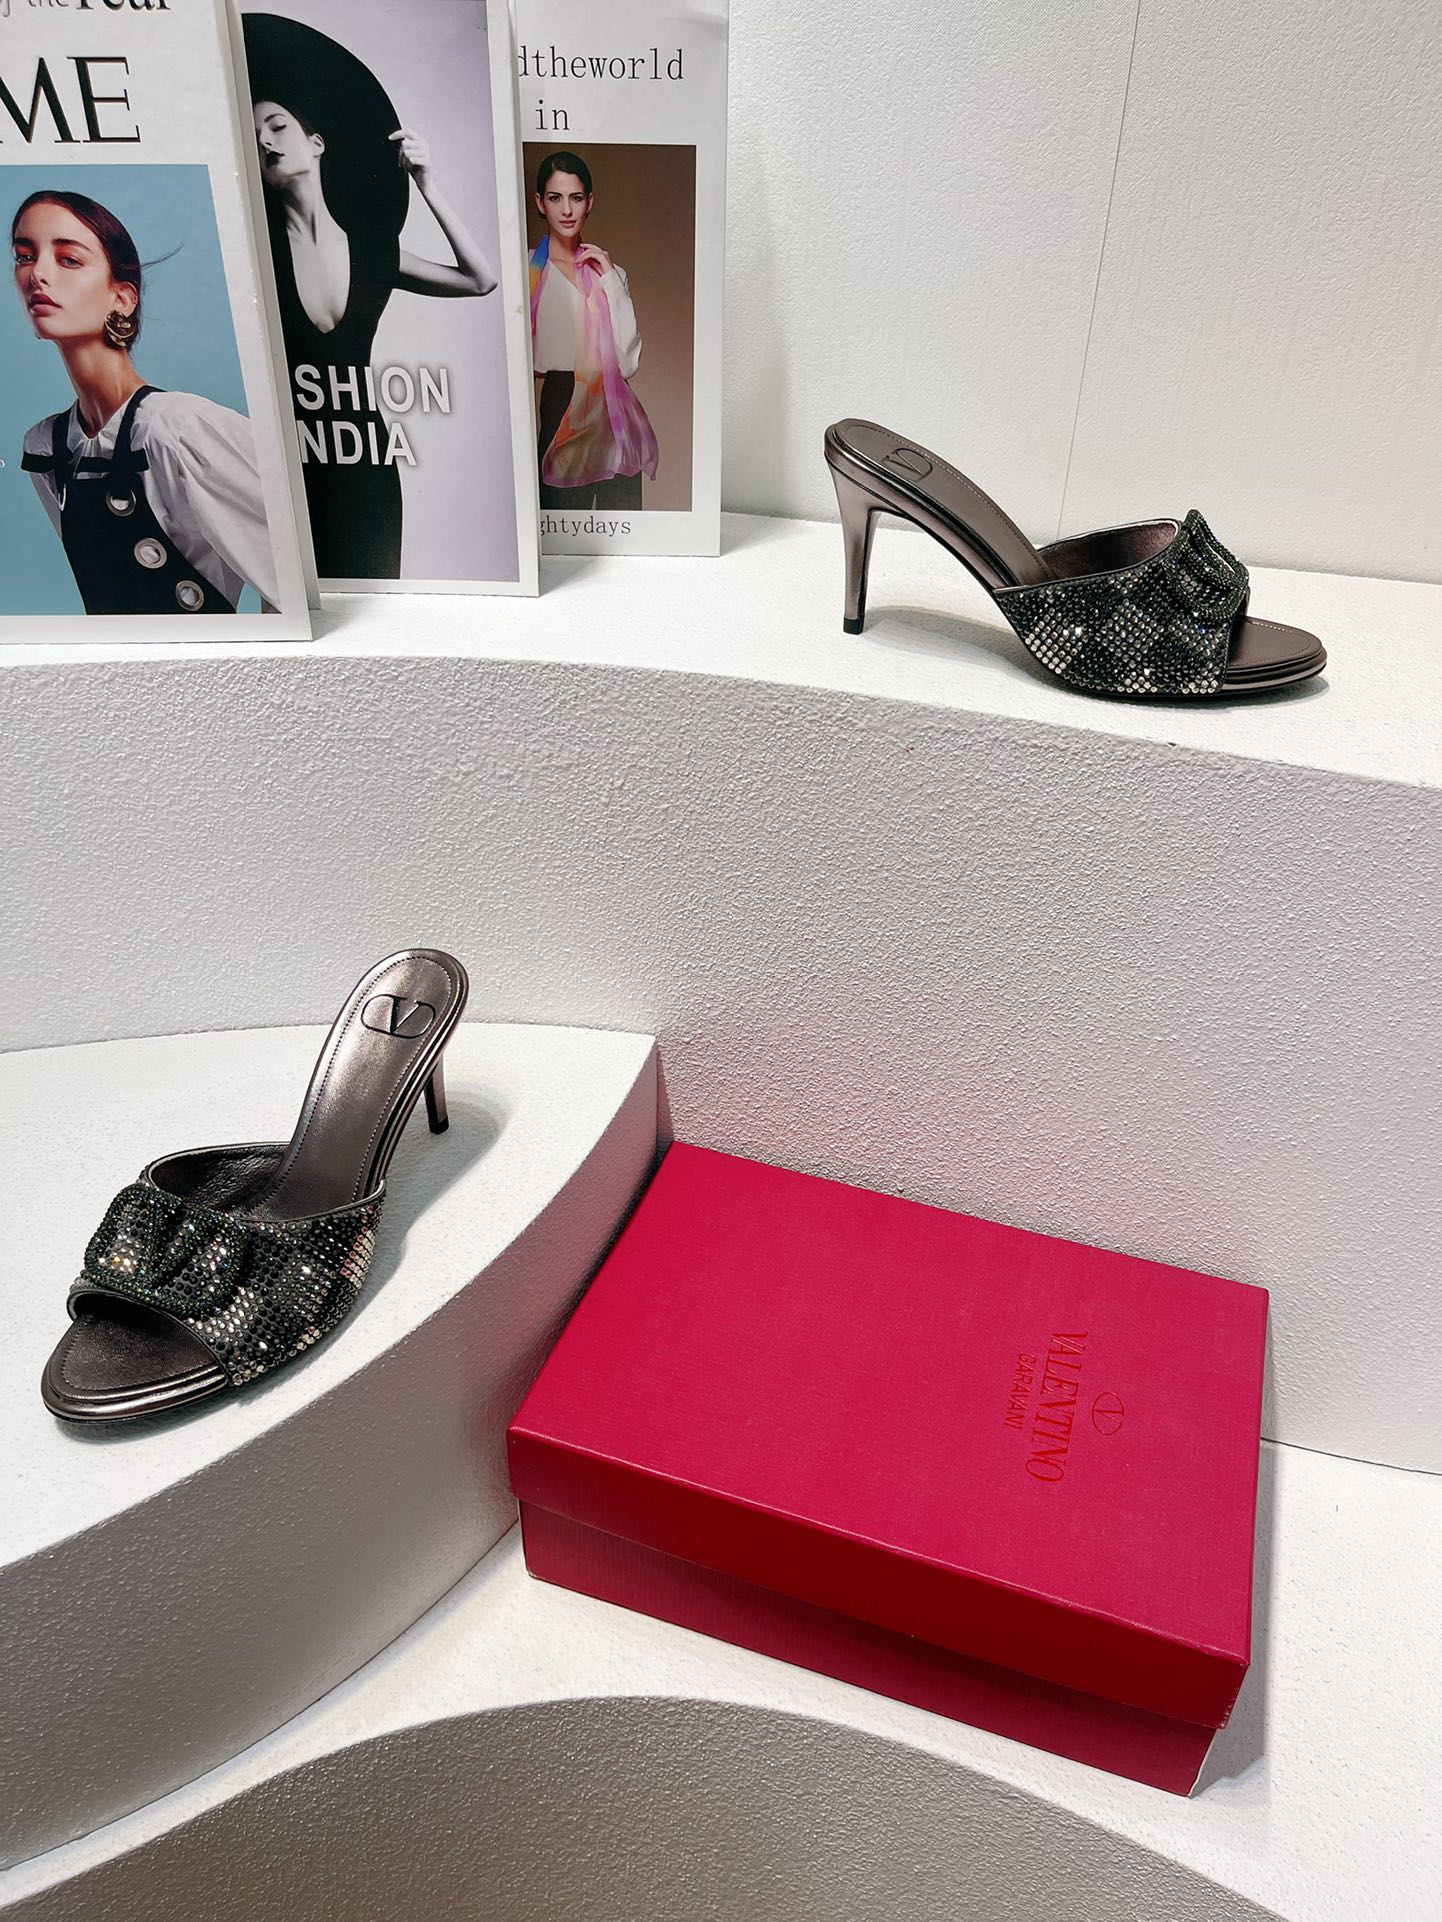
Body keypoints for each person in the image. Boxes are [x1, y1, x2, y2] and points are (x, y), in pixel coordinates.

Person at [253, 83, 496, 579]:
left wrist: (427, 185)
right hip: (288, 463)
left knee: (378, 596)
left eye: (277, 126)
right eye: (255, 138)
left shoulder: (372, 250)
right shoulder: (258, 254)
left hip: (367, 461)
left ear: (316, 143)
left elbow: (480, 280)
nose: (266, 141)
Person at [13, 190, 276, 616]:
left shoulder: (180, 430)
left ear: (122, 298)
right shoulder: (47, 448)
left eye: (69, 260)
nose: (37, 274)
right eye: (24, 256)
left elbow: (291, 572)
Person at [529, 150, 658, 511]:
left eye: (576, 198)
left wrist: (611, 279)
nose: (566, 210)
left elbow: (627, 364)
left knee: (622, 527)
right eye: (555, 198)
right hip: (560, 403)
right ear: (540, 203)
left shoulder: (610, 275)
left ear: (590, 202)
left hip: (613, 416)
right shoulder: (529, 271)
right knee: (559, 522)